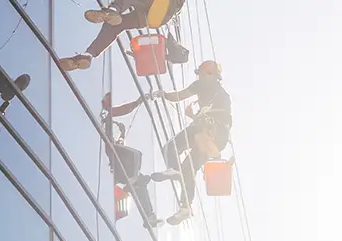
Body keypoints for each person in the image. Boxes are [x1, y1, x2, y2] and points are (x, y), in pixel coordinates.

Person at [146, 60, 231, 224]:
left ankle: (172, 168)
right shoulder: (221, 94)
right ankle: (185, 207)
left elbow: (179, 96)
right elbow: (222, 116)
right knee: (188, 169)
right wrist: (193, 116)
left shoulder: (201, 85)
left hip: (206, 130)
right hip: (218, 138)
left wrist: (163, 94)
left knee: (170, 147)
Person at [56, 0, 186, 71]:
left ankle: (111, 11)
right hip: (156, 17)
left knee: (119, 10)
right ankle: (88, 55)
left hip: (162, 4)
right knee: (114, 26)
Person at [101, 91, 162, 227]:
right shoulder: (106, 115)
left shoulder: (108, 119)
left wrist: (122, 134)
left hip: (118, 167)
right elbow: (122, 110)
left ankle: (149, 216)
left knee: (140, 182)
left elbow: (118, 143)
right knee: (136, 155)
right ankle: (133, 180)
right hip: (112, 155)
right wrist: (137, 102)